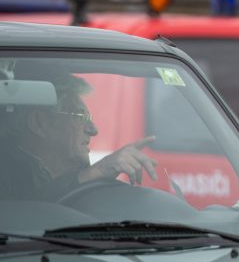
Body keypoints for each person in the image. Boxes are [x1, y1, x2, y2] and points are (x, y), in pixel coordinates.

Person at [0, 73, 158, 201]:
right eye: (80, 116)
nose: (93, 130)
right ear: (39, 122)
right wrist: (90, 174)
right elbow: (20, 215)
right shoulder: (6, 175)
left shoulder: (78, 173)